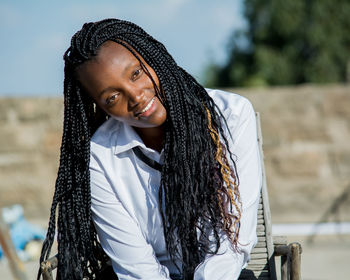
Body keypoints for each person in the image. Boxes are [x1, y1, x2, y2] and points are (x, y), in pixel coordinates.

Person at [38, 18, 262, 280]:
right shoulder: (98, 159)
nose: (135, 96)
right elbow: (136, 269)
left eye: (136, 74)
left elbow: (233, 242)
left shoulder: (229, 116)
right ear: (99, 106)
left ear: (153, 58)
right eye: (112, 97)